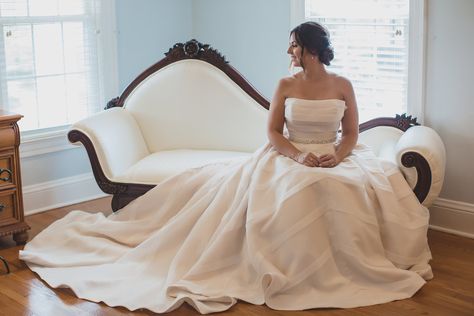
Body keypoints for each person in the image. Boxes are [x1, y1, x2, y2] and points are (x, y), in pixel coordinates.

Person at [20, 22, 432, 314]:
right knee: (298, 190)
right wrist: (298, 155)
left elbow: (352, 132)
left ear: (310, 49)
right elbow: (272, 133)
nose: (289, 53)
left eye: (294, 46)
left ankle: (340, 268)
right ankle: (289, 270)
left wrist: (336, 156)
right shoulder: (286, 85)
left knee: (343, 188)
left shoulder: (343, 84)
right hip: (290, 156)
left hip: (332, 157)